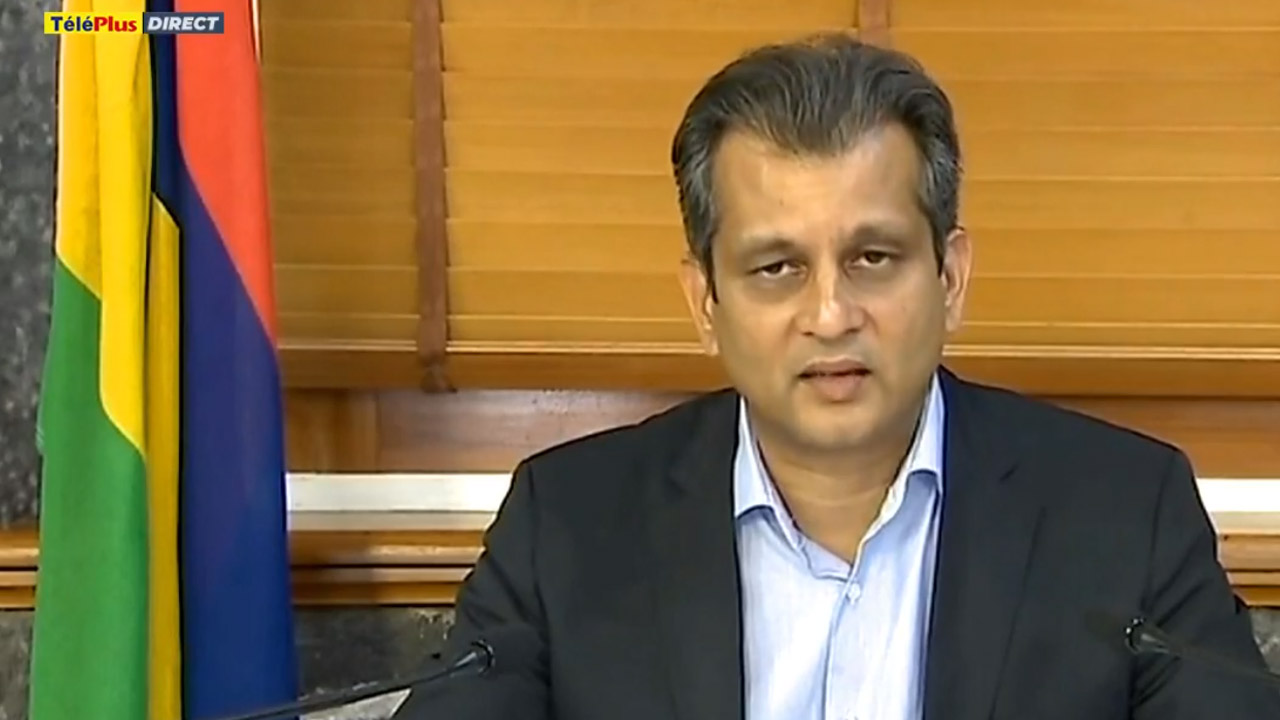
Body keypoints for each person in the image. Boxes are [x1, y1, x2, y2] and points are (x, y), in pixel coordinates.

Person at [394, 33, 1279, 719]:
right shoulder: (569, 529)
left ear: (950, 278)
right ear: (705, 302)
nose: (830, 313)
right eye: (777, 267)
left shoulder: (1124, 517)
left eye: (873, 258)